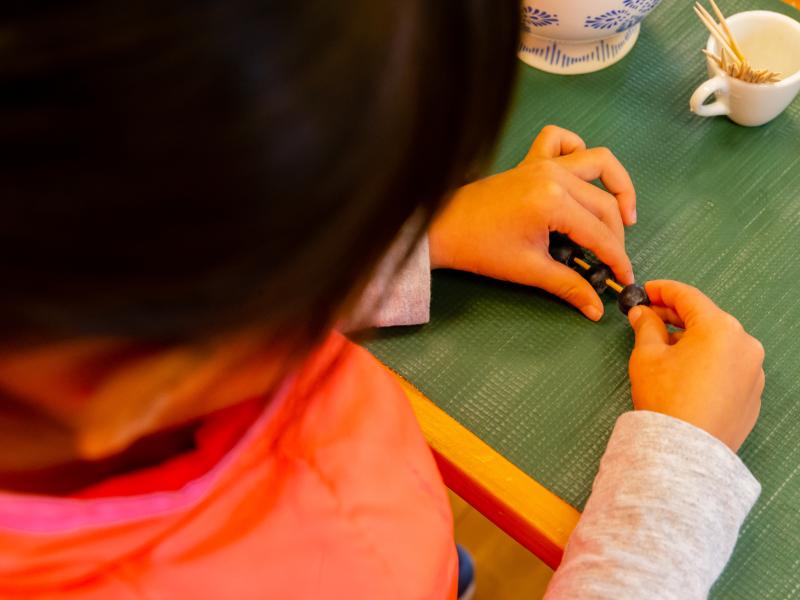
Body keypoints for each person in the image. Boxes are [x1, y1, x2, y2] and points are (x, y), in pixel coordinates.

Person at [0, 1, 764, 598]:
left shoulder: (83, 304)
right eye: (353, 240)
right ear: (135, 375)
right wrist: (675, 484)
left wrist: (431, 235)